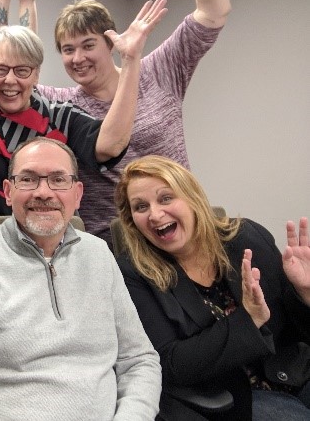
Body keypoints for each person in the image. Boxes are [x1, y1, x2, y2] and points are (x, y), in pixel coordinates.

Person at [0, 0, 231, 246]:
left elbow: (213, 11)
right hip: (112, 245)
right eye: (67, 49)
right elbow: (8, 71)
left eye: (88, 45)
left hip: (181, 229)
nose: (77, 58)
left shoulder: (157, 71)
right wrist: (14, 2)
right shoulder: (62, 106)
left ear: (111, 42)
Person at [0, 137, 161, 420]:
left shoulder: (99, 255)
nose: (44, 192)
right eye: (28, 179)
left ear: (77, 194)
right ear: (8, 191)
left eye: (58, 179)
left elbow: (139, 360)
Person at [0, 0, 167, 218]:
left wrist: (131, 59)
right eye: (1, 69)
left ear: (36, 75)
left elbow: (110, 146)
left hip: (50, 253)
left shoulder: (61, 117)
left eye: (22, 71)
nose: (10, 80)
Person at [114, 155, 310, 420]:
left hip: (296, 370)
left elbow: (293, 328)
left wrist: (304, 293)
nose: (156, 214)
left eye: (166, 198)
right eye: (140, 207)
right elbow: (170, 363)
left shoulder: (246, 236)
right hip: (235, 395)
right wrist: (248, 319)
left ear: (192, 198)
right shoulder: (133, 274)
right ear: (131, 221)